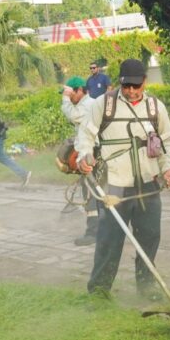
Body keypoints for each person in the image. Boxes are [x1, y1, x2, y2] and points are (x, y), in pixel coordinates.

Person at [75, 58, 170, 299]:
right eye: (126, 86)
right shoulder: (104, 105)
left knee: (150, 236)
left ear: (145, 81)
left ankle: (147, 286)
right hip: (114, 186)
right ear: (119, 83)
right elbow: (86, 136)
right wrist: (85, 156)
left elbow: (165, 143)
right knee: (109, 240)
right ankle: (99, 290)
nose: (131, 91)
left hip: (148, 183)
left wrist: (167, 169)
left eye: (136, 86)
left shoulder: (155, 108)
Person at [61, 76, 99, 246]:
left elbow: (72, 115)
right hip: (90, 152)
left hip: (93, 153)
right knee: (92, 191)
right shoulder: (88, 104)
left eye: (70, 95)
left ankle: (94, 233)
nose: (69, 98)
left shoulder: (88, 105)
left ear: (79, 91)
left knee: (91, 193)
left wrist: (64, 100)